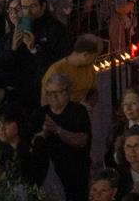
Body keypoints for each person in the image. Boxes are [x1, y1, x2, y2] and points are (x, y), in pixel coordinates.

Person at [30, 70, 92, 201]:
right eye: (49, 93)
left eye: (57, 92)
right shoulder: (40, 114)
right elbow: (31, 141)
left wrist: (57, 130)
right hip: (47, 174)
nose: (53, 97)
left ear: (68, 92)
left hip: (74, 174)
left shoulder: (78, 111)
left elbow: (82, 140)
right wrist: (42, 134)